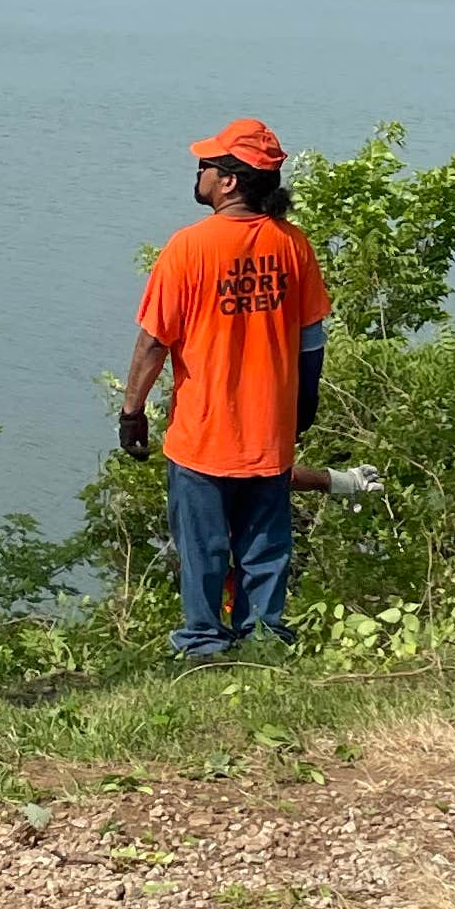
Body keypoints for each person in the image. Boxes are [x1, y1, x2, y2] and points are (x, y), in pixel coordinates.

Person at [119, 119, 332, 664]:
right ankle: (265, 640)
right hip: (269, 431)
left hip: (204, 434)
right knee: (265, 547)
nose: (201, 172)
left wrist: (132, 411)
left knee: (203, 548)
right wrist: (302, 405)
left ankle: (204, 643)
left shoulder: (189, 248)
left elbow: (153, 342)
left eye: (208, 166)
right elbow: (312, 337)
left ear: (231, 182)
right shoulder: (293, 246)